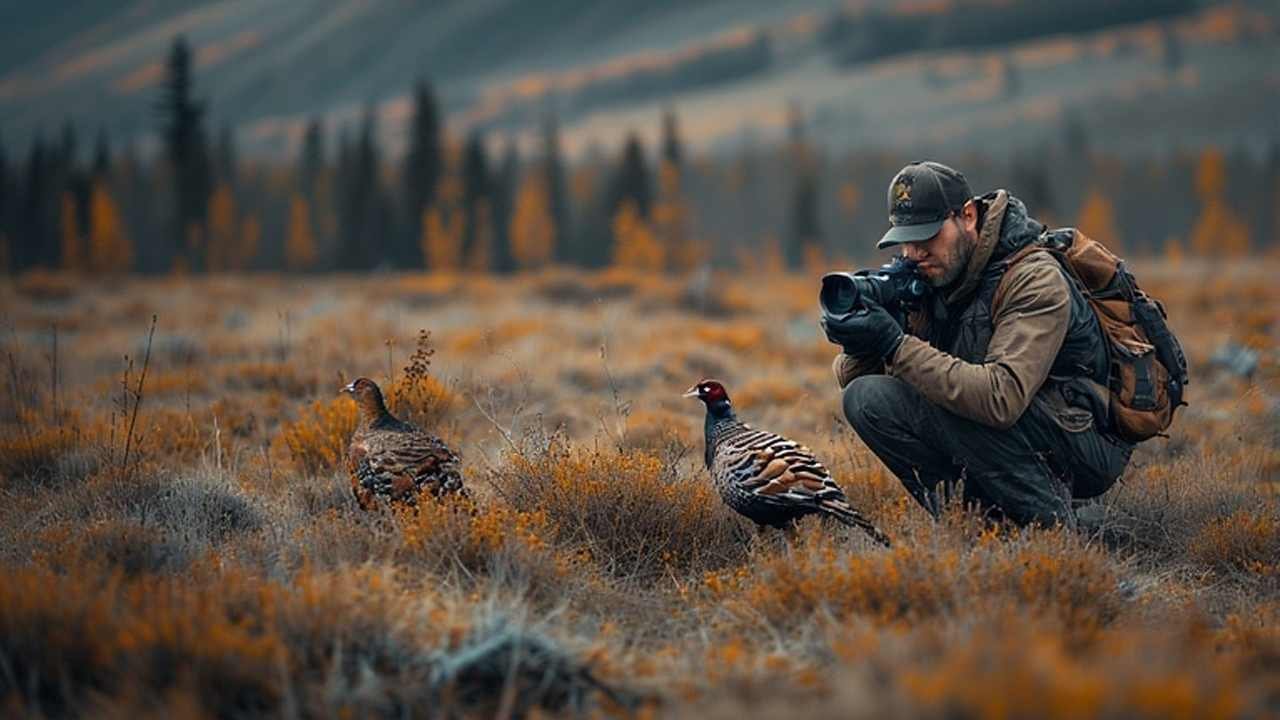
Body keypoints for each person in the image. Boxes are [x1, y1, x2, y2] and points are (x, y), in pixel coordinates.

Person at [822, 161, 1132, 526]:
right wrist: (862, 341)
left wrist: (895, 345)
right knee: (865, 397)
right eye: (906, 239)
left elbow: (1001, 398)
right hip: (1008, 426)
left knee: (958, 396)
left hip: (1081, 437)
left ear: (967, 216)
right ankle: (978, 525)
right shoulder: (933, 274)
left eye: (928, 236)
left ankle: (1054, 524)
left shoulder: (1033, 277)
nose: (914, 252)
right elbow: (862, 381)